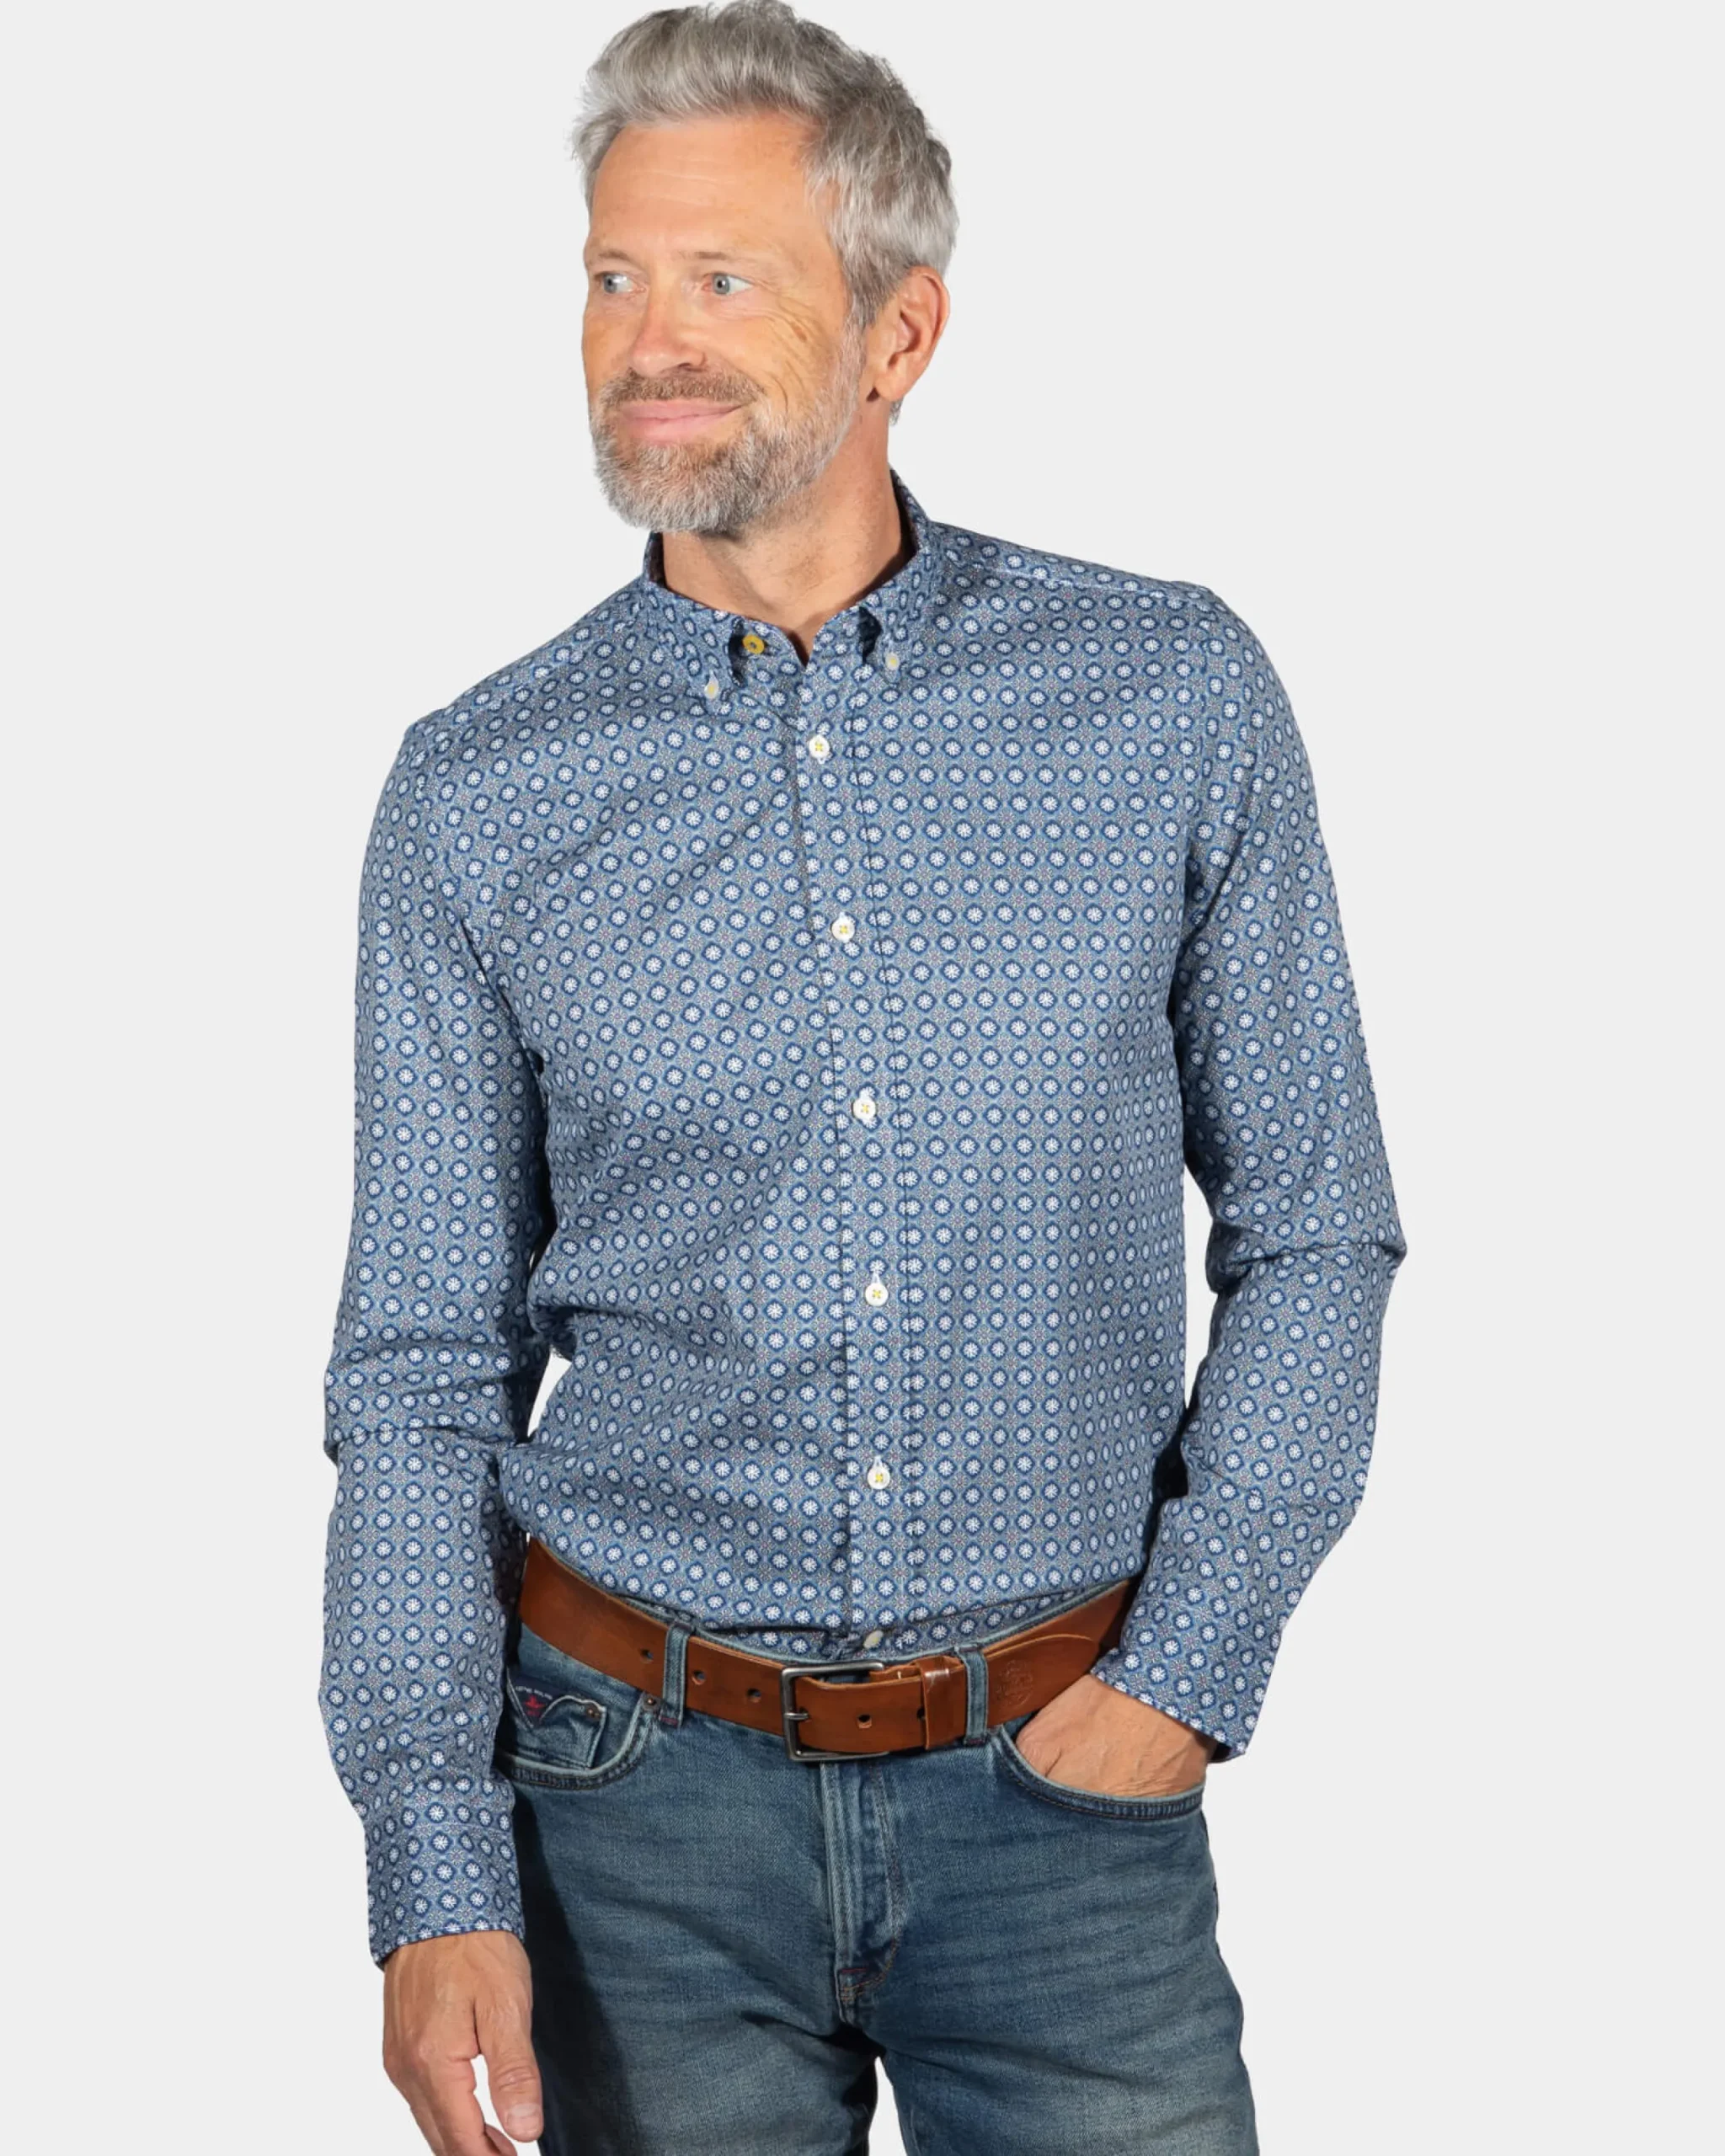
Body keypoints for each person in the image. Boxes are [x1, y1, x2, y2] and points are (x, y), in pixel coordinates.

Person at [318, 4, 1407, 2150]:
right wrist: (430, 1862)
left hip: (1068, 1792)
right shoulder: (479, 789)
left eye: (721, 280)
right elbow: (422, 1362)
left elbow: (1314, 1223)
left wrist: (1185, 1670)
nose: (646, 341)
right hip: (628, 1804)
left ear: (900, 332)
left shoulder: (1166, 694)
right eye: (612, 277)